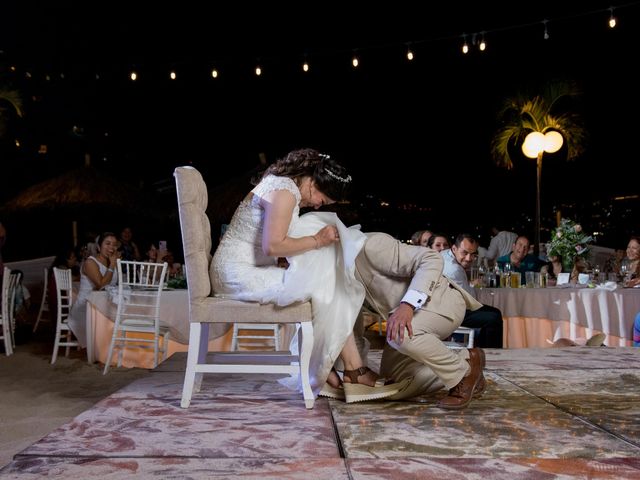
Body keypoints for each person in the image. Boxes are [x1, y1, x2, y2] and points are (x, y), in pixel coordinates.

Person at [210, 148, 406, 403]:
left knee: (327, 284)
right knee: (326, 288)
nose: (316, 205)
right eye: (321, 200)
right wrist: (317, 240)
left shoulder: (283, 187)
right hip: (236, 272)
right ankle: (348, 371)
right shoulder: (284, 191)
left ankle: (337, 371)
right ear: (313, 183)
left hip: (248, 268)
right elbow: (273, 246)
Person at [353, 232, 486, 409]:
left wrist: (408, 305)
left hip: (442, 301)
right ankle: (468, 362)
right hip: (411, 317)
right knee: (392, 386)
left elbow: (431, 259)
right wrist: (355, 371)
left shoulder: (368, 244)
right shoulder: (337, 276)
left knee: (401, 335)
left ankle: (461, 375)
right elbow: (351, 327)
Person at [442, 234, 504, 348]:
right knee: (493, 317)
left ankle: (482, 350)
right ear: (454, 249)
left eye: (473, 254)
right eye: (464, 253)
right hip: (448, 312)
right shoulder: (454, 269)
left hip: (446, 306)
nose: (469, 258)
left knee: (494, 313)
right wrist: (471, 284)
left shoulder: (446, 254)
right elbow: (470, 301)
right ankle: (491, 354)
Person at [68, 232, 120, 347]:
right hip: (86, 309)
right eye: (107, 243)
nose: (111, 247)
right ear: (98, 246)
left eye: (114, 244)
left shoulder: (113, 262)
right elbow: (100, 285)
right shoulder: (90, 262)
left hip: (103, 306)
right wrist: (112, 265)